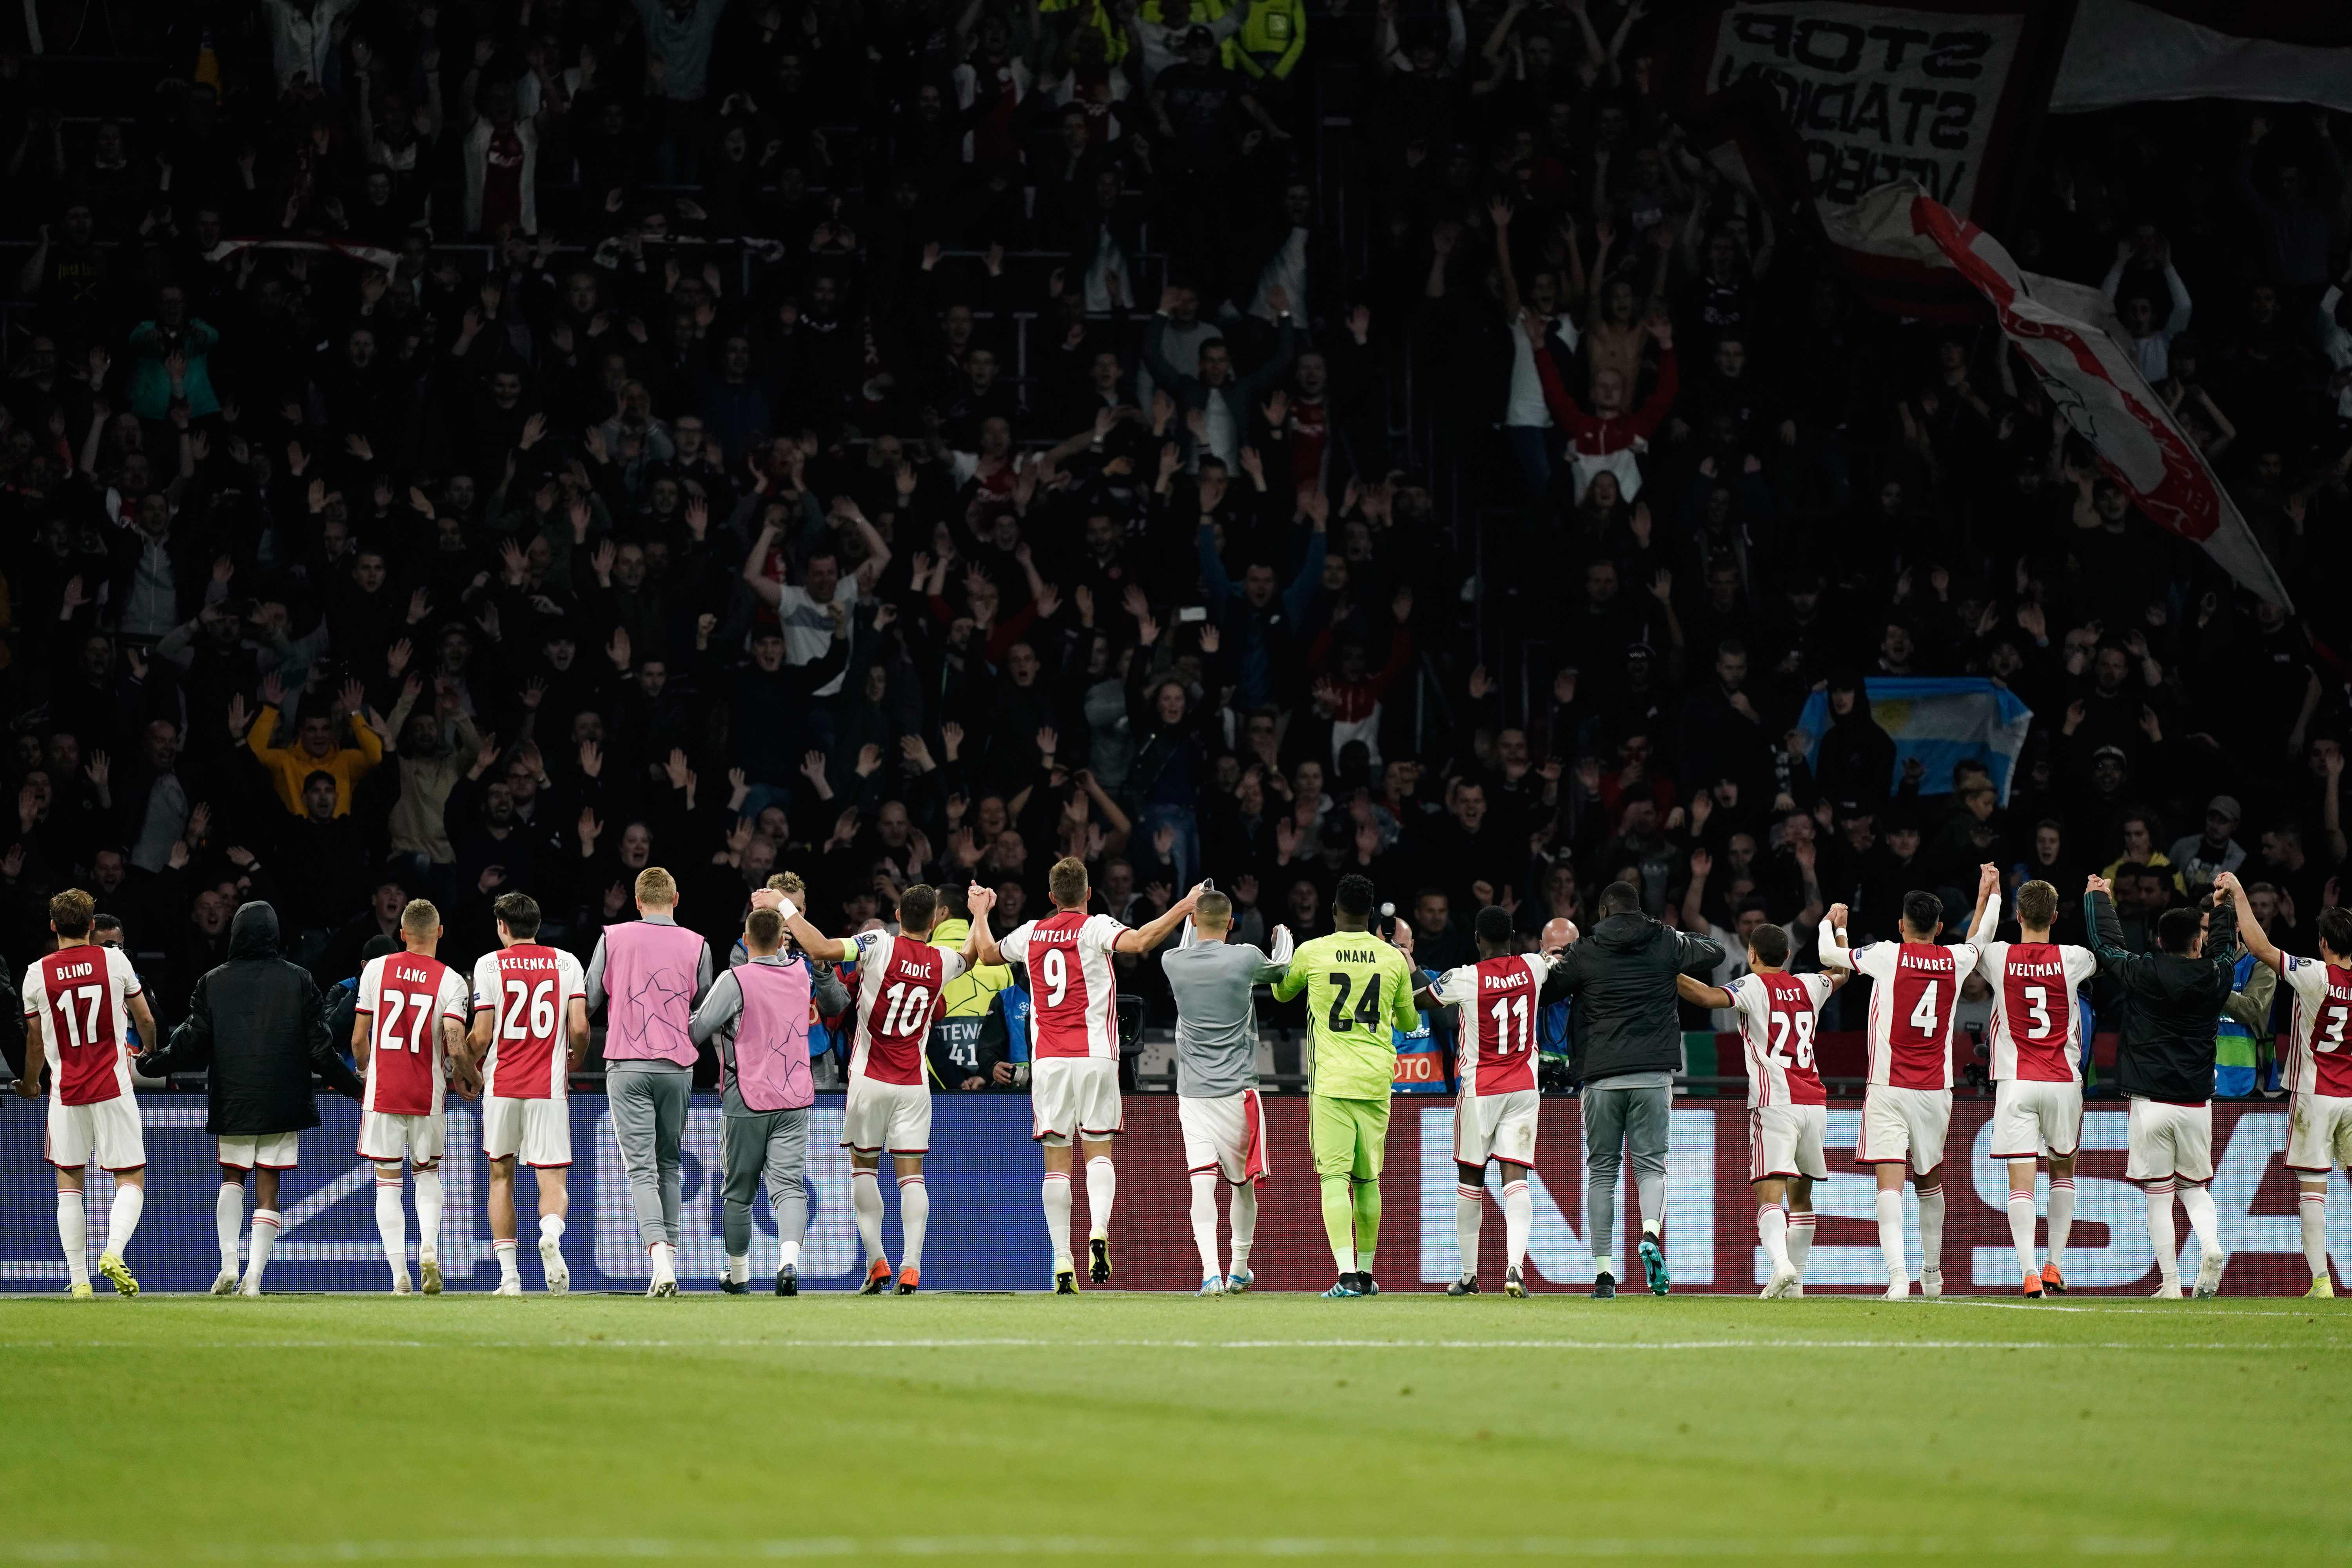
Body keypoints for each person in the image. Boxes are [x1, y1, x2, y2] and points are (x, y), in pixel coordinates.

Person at [969, 857, 1204, 1293]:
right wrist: (1184, 905)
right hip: (1096, 1055)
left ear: (1052, 897)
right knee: (1099, 1152)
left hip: (1050, 1062)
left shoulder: (1032, 931)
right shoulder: (1096, 927)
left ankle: (1062, 1260)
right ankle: (1098, 1229)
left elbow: (984, 953)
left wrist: (980, 912)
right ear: (1090, 893)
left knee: (1057, 1162)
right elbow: (1139, 941)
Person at [138, 901, 364, 1296]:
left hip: (234, 1097)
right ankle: (254, 1279)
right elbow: (321, 1050)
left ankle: (228, 1266)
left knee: (232, 1178)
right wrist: (356, 1087)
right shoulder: (298, 980)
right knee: (268, 1188)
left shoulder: (214, 980)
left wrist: (151, 1065)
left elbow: (189, 1042)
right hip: (283, 1099)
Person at [781, 882, 975, 1295]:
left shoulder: (878, 943)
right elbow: (972, 956)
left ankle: (877, 1261)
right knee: (913, 1177)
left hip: (870, 1079)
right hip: (913, 1084)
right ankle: (911, 1266)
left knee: (864, 1169)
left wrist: (781, 904)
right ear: (936, 920)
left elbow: (818, 947)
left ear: (899, 916)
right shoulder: (943, 959)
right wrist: (983, 913)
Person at [1821, 864, 1996, 1301]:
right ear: (1939, 927)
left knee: (1889, 1185)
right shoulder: (1955, 960)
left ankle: (1898, 1278)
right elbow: (1981, 939)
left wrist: (1832, 925)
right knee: (1930, 1181)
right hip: (1935, 1090)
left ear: (1901, 926)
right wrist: (1988, 896)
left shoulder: (1886, 954)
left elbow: (1830, 957)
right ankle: (1932, 1275)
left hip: (1888, 1087)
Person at [1541, 879, 1724, 1299]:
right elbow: (1715, 950)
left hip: (1601, 1075)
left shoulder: (1585, 949)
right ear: (1639, 911)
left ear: (1604, 913)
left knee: (1602, 1171)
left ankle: (1604, 1275)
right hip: (1653, 1073)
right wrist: (1671, 937)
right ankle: (1650, 1234)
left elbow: (1549, 991)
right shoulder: (1664, 941)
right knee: (1651, 1166)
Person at [2083, 873, 2239, 1299]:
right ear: (2196, 943)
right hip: (2195, 1102)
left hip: (2150, 1102)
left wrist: (2099, 899)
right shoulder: (2214, 974)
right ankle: (2211, 1246)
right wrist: (2223, 907)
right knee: (2194, 1187)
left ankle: (2171, 1283)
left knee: (2158, 1194)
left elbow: (2107, 947)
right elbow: (2226, 949)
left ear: (2158, 939)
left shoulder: (2144, 972)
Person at [1270, 872, 1419, 1298]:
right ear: (1371, 915)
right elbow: (1409, 1023)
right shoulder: (1391, 958)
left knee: (1334, 1177)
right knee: (1369, 1179)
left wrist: (1281, 960)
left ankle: (1346, 1274)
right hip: (1376, 1080)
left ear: (1334, 910)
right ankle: (1368, 1275)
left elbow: (1282, 994)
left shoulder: (1313, 952)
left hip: (1332, 1082)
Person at [693, 895, 849, 1296]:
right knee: (789, 1188)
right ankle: (789, 1262)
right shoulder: (800, 973)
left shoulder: (736, 978)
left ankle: (739, 1273)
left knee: (739, 1190)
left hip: (746, 1097)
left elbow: (697, 1029)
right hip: (795, 1097)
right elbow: (833, 999)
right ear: (783, 939)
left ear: (746, 939)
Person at [1677, 922, 1842, 1300]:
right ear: (1787, 956)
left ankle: (1782, 1265)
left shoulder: (1752, 986)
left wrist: (1664, 969)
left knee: (1770, 1196)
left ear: (1751, 956)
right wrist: (1841, 930)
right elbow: (1842, 974)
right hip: (1815, 1104)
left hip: (1775, 1103)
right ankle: (1795, 1283)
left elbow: (1704, 997)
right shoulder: (1809, 986)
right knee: (1802, 1200)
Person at [1415, 904, 1566, 1298]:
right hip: (1523, 1088)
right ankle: (1515, 1267)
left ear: (1478, 939)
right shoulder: (1534, 966)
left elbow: (1422, 999)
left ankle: (1469, 1276)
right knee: (1516, 1179)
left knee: (1471, 1179)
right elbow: (1553, 962)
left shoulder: (1465, 978)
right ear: (1513, 936)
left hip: (1480, 1091)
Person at [19, 889, 158, 1298]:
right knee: (130, 1176)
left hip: (66, 1090)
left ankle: (80, 1280)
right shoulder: (113, 960)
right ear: (92, 926)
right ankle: (113, 1251)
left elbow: (34, 1043)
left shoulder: (36, 973)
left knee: (69, 1184)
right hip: (113, 1085)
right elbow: (144, 1016)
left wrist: (31, 1083)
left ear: (53, 926)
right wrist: (149, 1050)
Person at [2215, 871, 2347, 1299]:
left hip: (2315, 1095)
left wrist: (2238, 893)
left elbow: (2259, 947)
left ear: (2325, 944)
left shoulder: (2314, 975)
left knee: (2313, 1192)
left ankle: (2322, 1283)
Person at [1968, 877, 2099, 1298]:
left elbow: (1972, 947)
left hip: (2018, 1082)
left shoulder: (1999, 956)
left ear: (2018, 915)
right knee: (2063, 1171)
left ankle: (2027, 1271)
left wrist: (1987, 894)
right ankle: (2054, 1265)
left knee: (2020, 1182)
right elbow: (2102, 957)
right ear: (2056, 917)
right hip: (2063, 1081)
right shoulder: (2075, 958)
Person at [586, 866, 713, 1297]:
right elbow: (707, 1009)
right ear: (676, 899)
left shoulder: (613, 937)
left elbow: (587, 999)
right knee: (670, 1164)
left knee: (641, 1168)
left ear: (637, 901)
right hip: (677, 1067)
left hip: (627, 1063)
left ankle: (659, 1260)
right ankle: (669, 1259)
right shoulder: (698, 944)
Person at [1159, 889, 1292, 1296]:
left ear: (1195, 921)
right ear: (1231, 924)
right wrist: (1284, 935)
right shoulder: (1246, 956)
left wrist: (1187, 910)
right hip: (1238, 1093)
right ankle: (1239, 1268)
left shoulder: (1173, 961)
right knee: (1242, 1186)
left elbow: (1186, 941)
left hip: (1194, 1094)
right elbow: (1283, 967)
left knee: (1202, 1184)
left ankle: (1210, 1274)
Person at [469, 892, 589, 1296]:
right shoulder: (567, 962)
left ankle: (510, 1278)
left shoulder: (488, 964)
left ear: (503, 926)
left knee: (501, 1177)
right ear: (537, 926)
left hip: (502, 1086)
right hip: (548, 1087)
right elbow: (580, 1028)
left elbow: (482, 1034)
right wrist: (575, 1058)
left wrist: (464, 1062)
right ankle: (550, 1231)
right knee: (552, 1179)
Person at [352, 897, 474, 1295]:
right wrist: (471, 1077)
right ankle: (430, 1248)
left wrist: (367, 1076)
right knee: (427, 1174)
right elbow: (455, 1044)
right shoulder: (451, 980)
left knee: (388, 1182)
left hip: (384, 1091)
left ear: (401, 935)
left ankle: (399, 1275)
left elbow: (357, 1040)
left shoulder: (376, 970)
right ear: (439, 932)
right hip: (427, 1093)